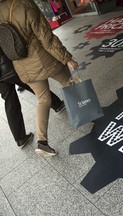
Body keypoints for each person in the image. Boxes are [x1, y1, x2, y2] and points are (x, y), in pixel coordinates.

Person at [0, 0, 79, 157]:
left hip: (21, 65)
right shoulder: (23, 4)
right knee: (69, 82)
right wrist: (66, 58)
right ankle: (85, 112)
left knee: (43, 100)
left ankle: (42, 142)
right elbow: (46, 37)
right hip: (43, 58)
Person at [0, 47, 66, 148]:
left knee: (10, 101)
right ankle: (57, 104)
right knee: (33, 84)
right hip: (9, 65)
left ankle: (20, 138)